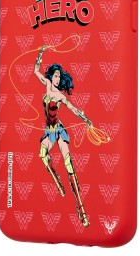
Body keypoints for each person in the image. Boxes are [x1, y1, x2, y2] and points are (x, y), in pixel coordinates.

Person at [34, 45, 92, 227]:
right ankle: (58, 182)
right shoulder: (47, 85)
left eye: (60, 77)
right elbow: (35, 70)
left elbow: (74, 109)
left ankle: (81, 209)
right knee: (42, 154)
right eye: (56, 76)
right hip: (48, 132)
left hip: (59, 131)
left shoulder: (60, 96)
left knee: (69, 166)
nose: (58, 79)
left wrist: (86, 119)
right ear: (52, 76)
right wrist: (41, 52)